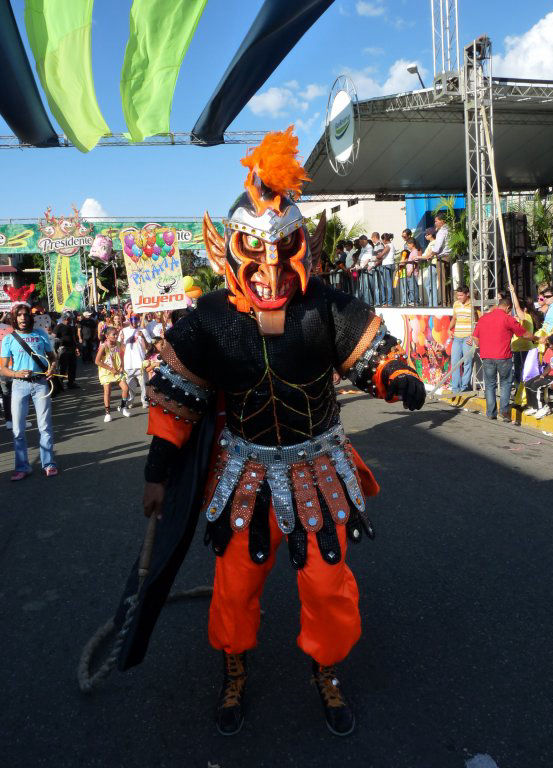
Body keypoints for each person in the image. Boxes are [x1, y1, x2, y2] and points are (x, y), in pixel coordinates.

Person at [113, 128, 426, 738]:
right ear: (230, 249)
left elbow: (375, 355)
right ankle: (234, 666)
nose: (271, 265)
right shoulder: (207, 321)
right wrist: (157, 473)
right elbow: (178, 399)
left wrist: (399, 376)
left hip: (319, 469)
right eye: (255, 249)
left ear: (302, 246)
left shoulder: (327, 307)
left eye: (283, 249)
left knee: (328, 583)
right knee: (234, 586)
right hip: (244, 473)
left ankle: (327, 669)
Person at [0, 302, 58, 480]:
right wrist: (16, 373)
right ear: (14, 318)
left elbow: (52, 357)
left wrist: (52, 367)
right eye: (19, 315)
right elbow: (2, 368)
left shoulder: (40, 334)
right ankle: (22, 467)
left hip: (40, 384)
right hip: (19, 385)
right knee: (17, 429)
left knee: (45, 426)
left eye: (26, 315)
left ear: (30, 317)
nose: (23, 318)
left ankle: (48, 464)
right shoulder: (9, 339)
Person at [471, 293, 536, 421]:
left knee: (490, 385)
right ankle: (504, 412)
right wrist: (537, 338)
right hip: (503, 356)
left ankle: (491, 413)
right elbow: (524, 334)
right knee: (506, 383)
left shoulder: (483, 318)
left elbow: (475, 337)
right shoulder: (508, 319)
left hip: (486, 356)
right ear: (507, 308)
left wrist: (483, 346)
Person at [95, 327, 130, 422]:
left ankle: (123, 407)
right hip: (106, 372)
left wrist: (122, 366)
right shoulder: (103, 346)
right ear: (107, 336)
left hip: (117, 370)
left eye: (116, 334)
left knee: (126, 388)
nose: (116, 336)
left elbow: (122, 356)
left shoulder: (118, 344)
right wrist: (110, 369)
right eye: (113, 334)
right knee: (107, 391)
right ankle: (107, 413)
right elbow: (97, 361)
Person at [448, 286, 476, 394]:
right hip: (457, 337)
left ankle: (464, 387)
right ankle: (455, 388)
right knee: (455, 362)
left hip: (468, 338)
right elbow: (454, 318)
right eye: (457, 295)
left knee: (467, 362)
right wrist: (449, 329)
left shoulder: (473, 305)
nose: (458, 297)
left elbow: (478, 321)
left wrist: (473, 336)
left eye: (461, 295)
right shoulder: (456, 304)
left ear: (467, 294)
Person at [120, 315, 150, 409]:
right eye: (132, 320)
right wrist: (121, 340)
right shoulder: (123, 331)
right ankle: (130, 400)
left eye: (136, 320)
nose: (134, 322)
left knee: (144, 384)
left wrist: (143, 337)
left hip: (140, 362)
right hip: (128, 363)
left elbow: (149, 345)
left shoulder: (143, 330)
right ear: (129, 321)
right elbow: (120, 347)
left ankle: (144, 401)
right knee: (129, 386)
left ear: (138, 320)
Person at [511, 297, 540, 384]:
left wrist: (513, 292)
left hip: (522, 349)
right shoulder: (525, 318)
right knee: (521, 371)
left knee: (521, 372)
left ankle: (521, 392)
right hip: (520, 348)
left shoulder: (526, 316)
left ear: (525, 309)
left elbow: (517, 307)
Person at [430, 213, 451, 305]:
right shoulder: (449, 229)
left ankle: (444, 302)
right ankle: (449, 301)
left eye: (436, 221)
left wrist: (430, 255)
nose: (435, 223)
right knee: (448, 280)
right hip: (449, 256)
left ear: (442, 221)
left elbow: (437, 247)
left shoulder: (442, 231)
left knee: (442, 281)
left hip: (442, 257)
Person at [55, 311, 80, 388]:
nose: (70, 320)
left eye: (70, 319)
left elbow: (73, 338)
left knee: (73, 366)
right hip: (63, 349)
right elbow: (53, 337)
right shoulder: (59, 327)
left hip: (71, 348)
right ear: (65, 318)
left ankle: (71, 383)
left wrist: (76, 347)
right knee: (63, 367)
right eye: (69, 319)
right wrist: (58, 343)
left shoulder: (71, 327)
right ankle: (60, 383)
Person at [422, 227, 438, 307]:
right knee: (427, 284)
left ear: (431, 235)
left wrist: (418, 257)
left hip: (433, 264)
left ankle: (433, 304)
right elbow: (425, 255)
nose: (425, 236)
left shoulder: (434, 243)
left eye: (427, 234)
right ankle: (432, 302)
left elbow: (428, 255)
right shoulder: (431, 243)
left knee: (432, 284)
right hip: (431, 265)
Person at [404, 238, 421, 307]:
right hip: (410, 272)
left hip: (413, 273)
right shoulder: (412, 252)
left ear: (412, 244)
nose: (408, 246)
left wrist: (411, 271)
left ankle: (415, 301)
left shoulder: (414, 251)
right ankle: (413, 300)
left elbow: (415, 262)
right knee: (411, 287)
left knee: (413, 287)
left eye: (408, 244)